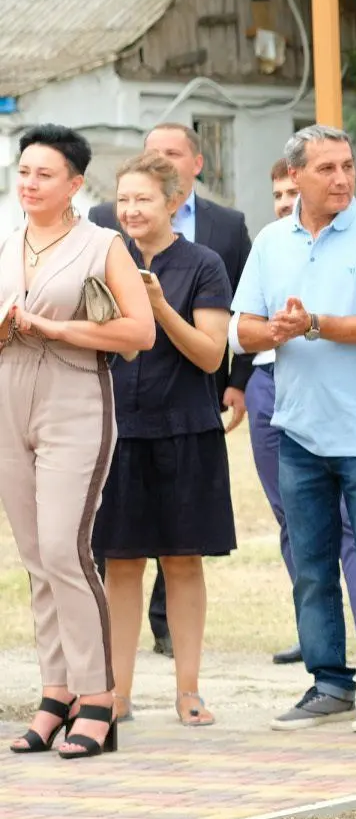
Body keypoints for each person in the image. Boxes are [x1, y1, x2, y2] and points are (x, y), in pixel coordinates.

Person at [236, 126, 356, 734]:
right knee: (310, 565)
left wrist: (313, 323)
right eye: (327, 169)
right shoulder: (270, 241)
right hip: (298, 430)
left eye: (348, 166)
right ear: (297, 177)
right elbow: (242, 330)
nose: (341, 179)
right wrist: (278, 331)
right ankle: (329, 684)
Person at [2, 124, 154, 759]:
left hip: (75, 402)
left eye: (44, 173)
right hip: (9, 399)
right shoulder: (7, 243)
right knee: (36, 556)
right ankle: (56, 690)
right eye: (23, 171)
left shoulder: (102, 244)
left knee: (67, 548)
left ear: (75, 185)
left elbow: (138, 332)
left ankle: (99, 697)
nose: (30, 182)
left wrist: (50, 328)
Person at [88, 122, 254, 660]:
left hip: (186, 429)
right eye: (123, 200)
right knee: (120, 561)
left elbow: (211, 354)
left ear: (173, 200)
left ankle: (188, 691)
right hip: (118, 429)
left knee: (182, 561)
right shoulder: (104, 258)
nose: (131, 210)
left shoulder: (203, 263)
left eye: (143, 199)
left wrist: (158, 307)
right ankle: (117, 695)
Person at [244, 160, 356, 668]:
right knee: (291, 520)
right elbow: (241, 325)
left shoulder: (354, 241)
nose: (282, 201)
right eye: (277, 192)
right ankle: (317, 632)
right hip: (268, 384)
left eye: (290, 191)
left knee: (345, 524)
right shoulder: (268, 245)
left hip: (331, 383)